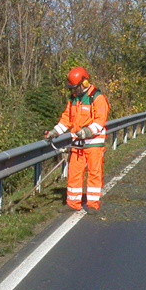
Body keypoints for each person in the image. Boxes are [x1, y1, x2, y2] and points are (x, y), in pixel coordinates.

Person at [45, 67, 110, 212]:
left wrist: (87, 131)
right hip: (77, 144)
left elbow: (100, 120)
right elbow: (66, 119)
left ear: (84, 83)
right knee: (74, 173)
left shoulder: (97, 97)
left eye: (75, 87)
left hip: (94, 143)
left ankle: (93, 204)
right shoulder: (73, 99)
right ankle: (73, 203)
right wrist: (55, 132)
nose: (73, 90)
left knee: (94, 173)